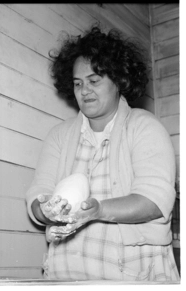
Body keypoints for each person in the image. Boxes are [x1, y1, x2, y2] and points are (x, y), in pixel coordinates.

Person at [25, 25, 180, 281]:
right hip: (64, 278)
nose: (84, 90)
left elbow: (154, 200)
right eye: (77, 83)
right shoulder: (59, 136)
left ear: (119, 80)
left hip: (136, 278)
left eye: (94, 81)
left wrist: (98, 211)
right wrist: (45, 210)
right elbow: (38, 194)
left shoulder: (145, 127)